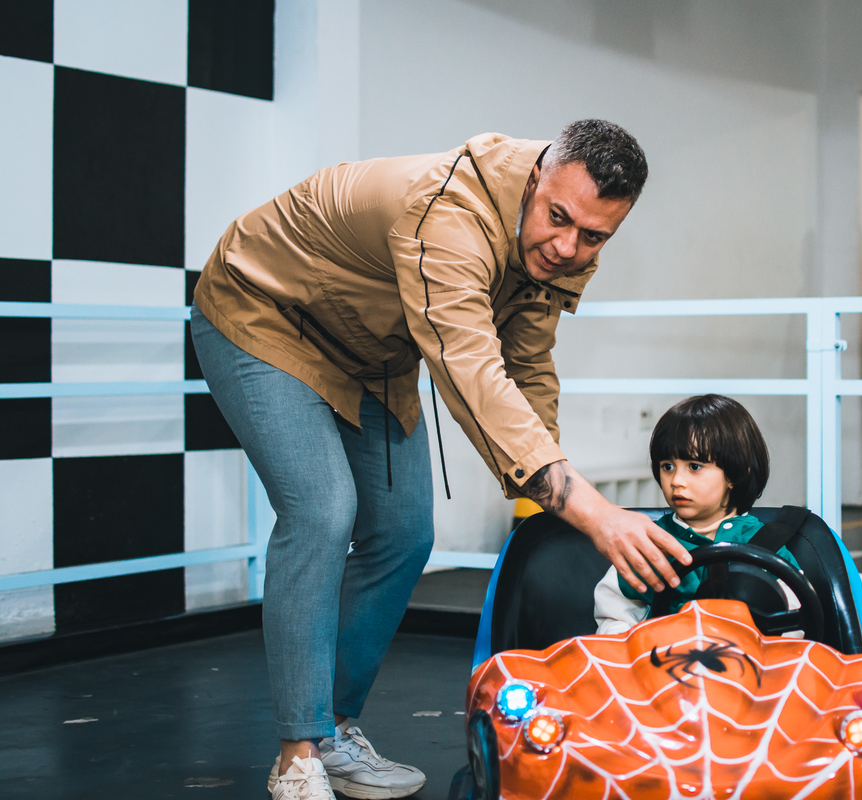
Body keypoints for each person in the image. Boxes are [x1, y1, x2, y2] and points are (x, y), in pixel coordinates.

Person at [190, 120, 693, 800]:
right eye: (558, 219)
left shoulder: (567, 237)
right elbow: (473, 374)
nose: (568, 246)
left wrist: (553, 489)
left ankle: (334, 731)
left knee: (403, 533)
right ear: (538, 176)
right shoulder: (448, 214)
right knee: (323, 512)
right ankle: (298, 756)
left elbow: (528, 365)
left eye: (595, 237)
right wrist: (594, 512)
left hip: (371, 349)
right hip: (265, 313)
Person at [594, 394, 805, 636]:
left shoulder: (767, 546)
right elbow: (615, 616)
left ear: (735, 474)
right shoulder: (649, 543)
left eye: (694, 466)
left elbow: (794, 623)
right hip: (664, 665)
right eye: (668, 467)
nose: (676, 481)